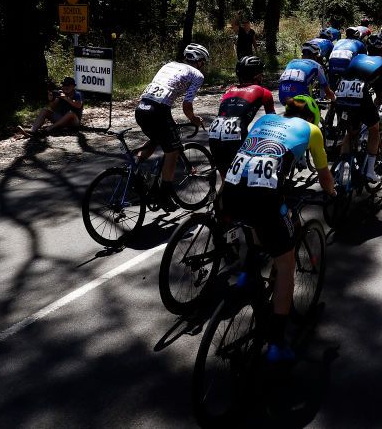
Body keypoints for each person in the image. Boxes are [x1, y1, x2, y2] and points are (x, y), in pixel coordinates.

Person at [219, 95, 336, 362]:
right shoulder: (312, 130)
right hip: (264, 200)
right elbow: (323, 173)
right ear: (312, 117)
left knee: (254, 223)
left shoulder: (266, 119)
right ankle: (276, 343)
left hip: (230, 191)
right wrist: (332, 193)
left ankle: (248, 273)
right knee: (286, 266)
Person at [135, 44, 210, 209]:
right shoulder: (197, 75)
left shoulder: (168, 65)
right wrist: (194, 119)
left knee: (157, 138)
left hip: (142, 108)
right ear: (199, 61)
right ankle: (164, 195)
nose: (203, 65)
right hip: (159, 111)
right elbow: (187, 105)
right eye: (203, 62)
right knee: (173, 150)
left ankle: (134, 171)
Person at [336, 35, 382, 182]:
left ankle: (342, 169)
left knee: (351, 133)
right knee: (374, 130)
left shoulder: (356, 58)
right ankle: (370, 171)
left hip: (341, 95)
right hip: (359, 98)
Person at [208, 56, 275, 175]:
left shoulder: (229, 90)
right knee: (242, 178)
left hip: (214, 133)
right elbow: (273, 121)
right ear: (258, 76)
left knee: (226, 177)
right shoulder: (264, 92)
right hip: (236, 134)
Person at [18, 77, 84, 137]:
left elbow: (78, 105)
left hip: (74, 122)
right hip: (61, 120)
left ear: (73, 86)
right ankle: (32, 130)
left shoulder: (77, 94)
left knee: (70, 113)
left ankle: (50, 128)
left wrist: (66, 98)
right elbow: (52, 107)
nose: (66, 87)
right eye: (64, 85)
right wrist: (51, 99)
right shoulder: (60, 94)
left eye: (68, 85)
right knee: (45, 110)